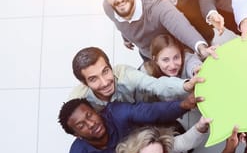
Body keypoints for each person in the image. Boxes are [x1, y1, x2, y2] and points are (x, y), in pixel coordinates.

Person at [57, 96, 199, 153]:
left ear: (95, 111)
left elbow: (150, 112)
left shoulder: (117, 113)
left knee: (184, 147)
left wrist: (183, 105)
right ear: (77, 135)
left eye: (89, 115)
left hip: (155, 140)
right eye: (81, 125)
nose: (91, 123)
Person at [100, 0, 216, 61]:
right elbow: (119, 22)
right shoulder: (108, 6)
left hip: (174, 55)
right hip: (148, 55)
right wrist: (126, 38)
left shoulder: (156, 4)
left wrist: (202, 48)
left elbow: (179, 24)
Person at [69, 47, 201, 111]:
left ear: (111, 66)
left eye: (105, 71)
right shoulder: (77, 101)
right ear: (84, 83)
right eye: (93, 79)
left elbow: (155, 85)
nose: (105, 82)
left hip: (143, 106)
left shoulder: (124, 74)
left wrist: (186, 85)